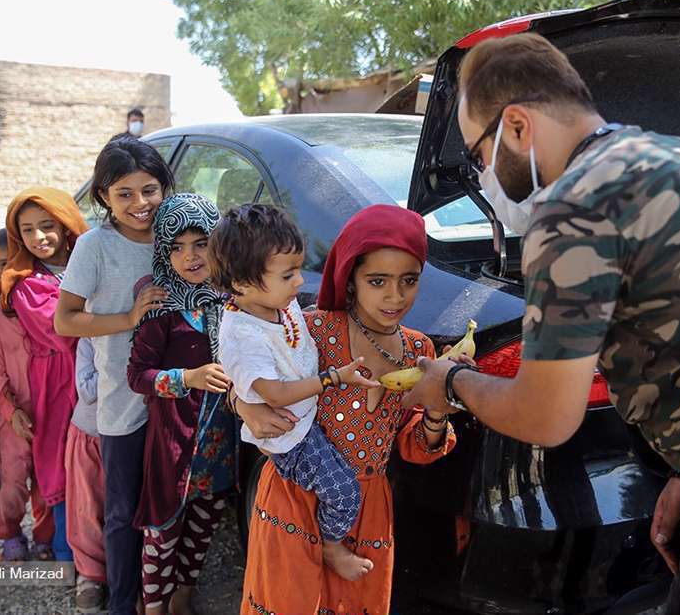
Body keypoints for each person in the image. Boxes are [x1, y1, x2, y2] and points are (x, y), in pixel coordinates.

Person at [401, 32, 680, 614]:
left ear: (518, 127)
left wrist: (450, 385)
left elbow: (545, 416)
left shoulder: (572, 207)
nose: (481, 177)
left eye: (478, 154)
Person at [234, 204, 457, 615]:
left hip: (369, 509)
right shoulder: (312, 330)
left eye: (409, 280)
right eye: (378, 281)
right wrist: (241, 403)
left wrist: (437, 412)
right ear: (350, 279)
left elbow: (415, 449)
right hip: (294, 499)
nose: (395, 296)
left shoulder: (420, 351)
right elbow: (244, 367)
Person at [209, 204, 380, 583]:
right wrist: (332, 379)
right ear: (242, 284)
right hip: (292, 436)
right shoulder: (244, 335)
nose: (300, 282)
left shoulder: (274, 306)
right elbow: (275, 393)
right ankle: (331, 546)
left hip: (303, 422)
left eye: (298, 270)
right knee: (344, 492)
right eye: (288, 274)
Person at [55, 136, 174, 615]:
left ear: (165, 186)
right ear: (103, 196)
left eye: (149, 190)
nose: (139, 204)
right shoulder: (95, 246)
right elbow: (66, 320)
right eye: (124, 193)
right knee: (123, 512)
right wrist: (128, 318)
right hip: (123, 400)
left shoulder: (180, 239)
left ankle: (164, 598)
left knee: (171, 508)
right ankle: (123, 602)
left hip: (180, 394)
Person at [127, 194, 237, 615]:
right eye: (176, 247)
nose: (189, 256)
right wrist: (186, 378)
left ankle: (183, 597)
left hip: (218, 439)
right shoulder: (161, 309)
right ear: (163, 252)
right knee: (163, 529)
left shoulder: (230, 301)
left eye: (200, 243)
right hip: (173, 444)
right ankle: (153, 606)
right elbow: (138, 375)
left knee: (204, 521)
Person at [0, 187, 89, 563]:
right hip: (55, 383)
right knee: (61, 465)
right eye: (28, 230)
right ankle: (67, 553)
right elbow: (61, 329)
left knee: (100, 463)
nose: (39, 238)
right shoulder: (23, 282)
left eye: (47, 226)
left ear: (66, 223)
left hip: (101, 374)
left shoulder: (91, 259)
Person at [0, 228, 55, 561]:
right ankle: (9, 532)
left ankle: (45, 537)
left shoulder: (40, 306)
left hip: (50, 410)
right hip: (12, 416)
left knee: (46, 480)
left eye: (4, 263)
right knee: (12, 481)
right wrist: (10, 411)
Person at [67, 336, 107, 612]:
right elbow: (87, 389)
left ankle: (127, 570)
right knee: (87, 508)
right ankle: (91, 576)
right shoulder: (89, 339)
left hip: (133, 432)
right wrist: (121, 365)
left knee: (126, 507)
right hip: (90, 433)